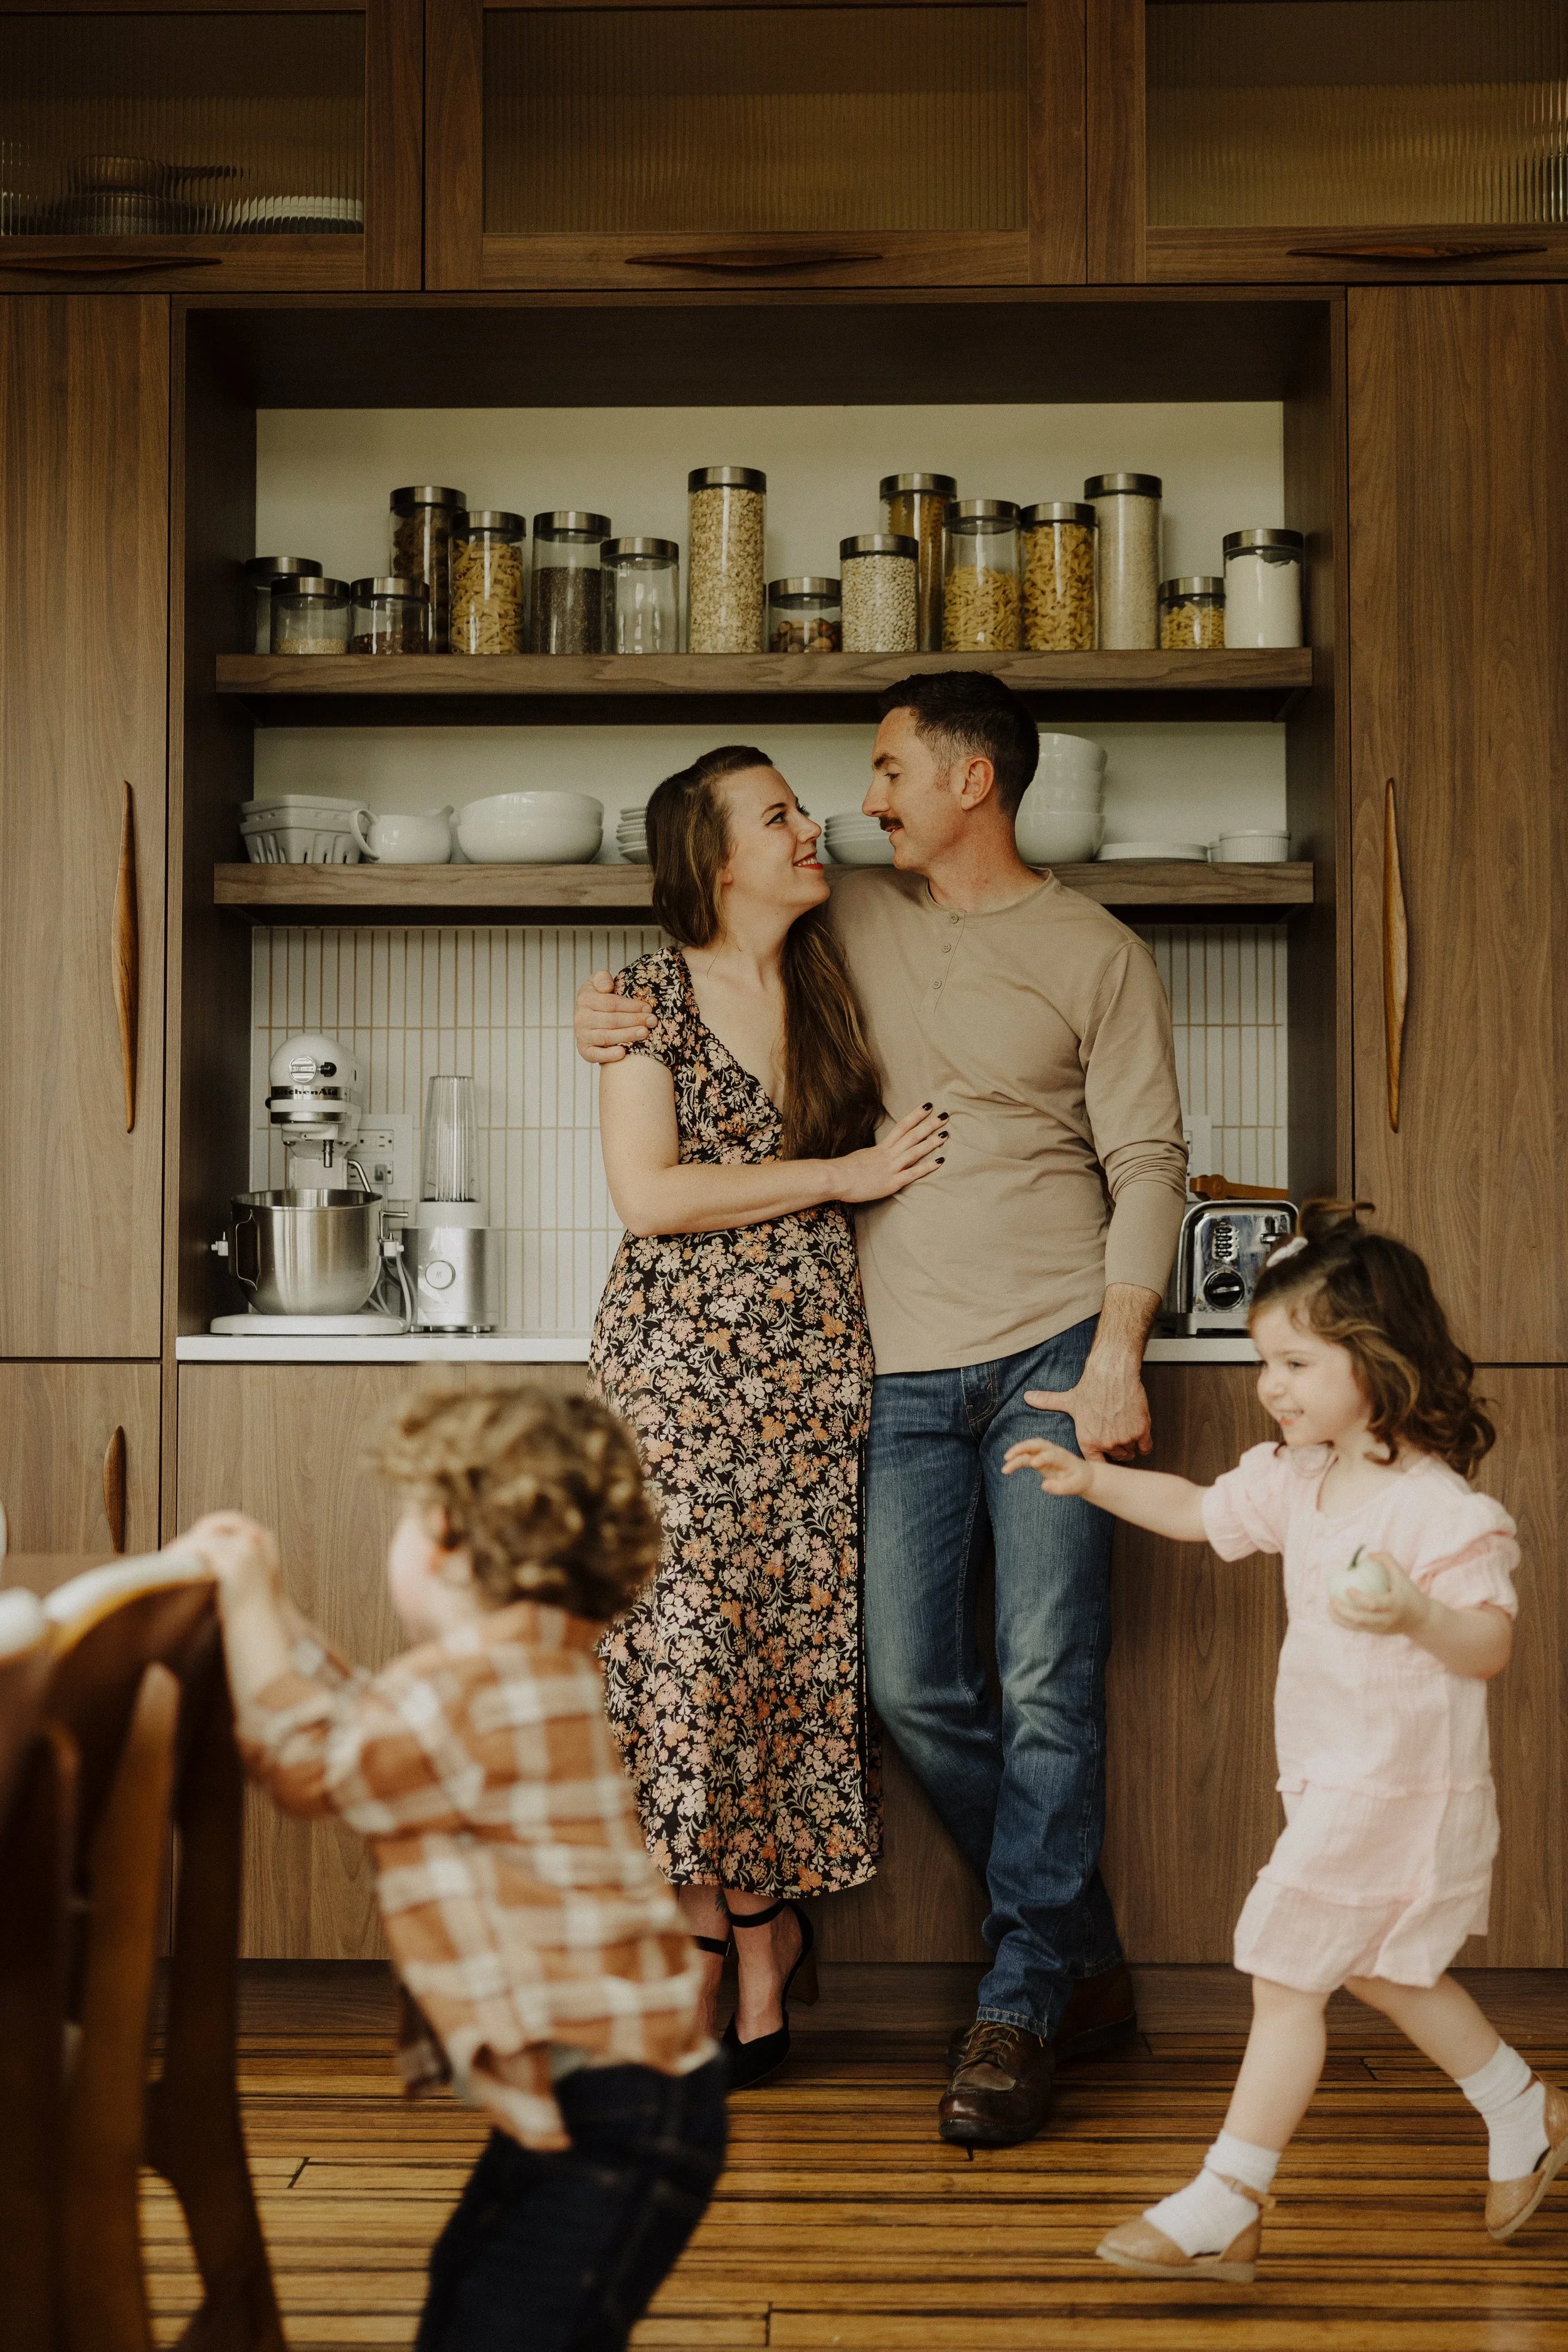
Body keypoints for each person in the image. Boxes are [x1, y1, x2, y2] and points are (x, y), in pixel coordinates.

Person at [577, 673, 1188, 2146]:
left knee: (1047, 1674)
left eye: (885, 770)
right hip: (890, 1369)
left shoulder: (1094, 951)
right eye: (831, 790)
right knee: (911, 1689)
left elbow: (1151, 1161)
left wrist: (1119, 1345)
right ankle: (1077, 1953)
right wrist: (616, 1004)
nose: (856, 804)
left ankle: (1025, 1994)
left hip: (1049, 1345)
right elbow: (701, 941)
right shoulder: (840, 913)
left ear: (970, 781)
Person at [1004, 1204, 1566, 2279]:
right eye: (1267, 1360)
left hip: (1400, 1787)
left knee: (1284, 1972)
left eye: (1298, 1362)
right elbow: (1199, 1510)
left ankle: (1229, 2197)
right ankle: (1523, 2109)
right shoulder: (1296, 1477)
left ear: (1377, 1357)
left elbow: (1488, 1645)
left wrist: (1413, 1614)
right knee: (1388, 1973)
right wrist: (1096, 1482)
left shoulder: (1438, 1512)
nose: (1273, 1385)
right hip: (1329, 1777)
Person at [187, 1382, 728, 2352]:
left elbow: (312, 1759)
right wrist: (270, 1608)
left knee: (507, 2325)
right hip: (629, 2092)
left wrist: (246, 1595)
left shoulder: (473, 1689)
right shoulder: (532, 1667)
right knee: (475, 2293)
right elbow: (369, 1719)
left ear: (441, 1534)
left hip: (611, 2107)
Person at [589, 744, 946, 2090]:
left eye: (804, 809)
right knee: (677, 1659)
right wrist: (843, 1174)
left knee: (779, 1659)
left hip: (808, 1372)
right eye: (780, 816)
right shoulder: (640, 1001)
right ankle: (728, 1931)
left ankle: (757, 1928)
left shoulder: (834, 985)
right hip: (675, 1372)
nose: (814, 830)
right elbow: (650, 1197)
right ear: (713, 857)